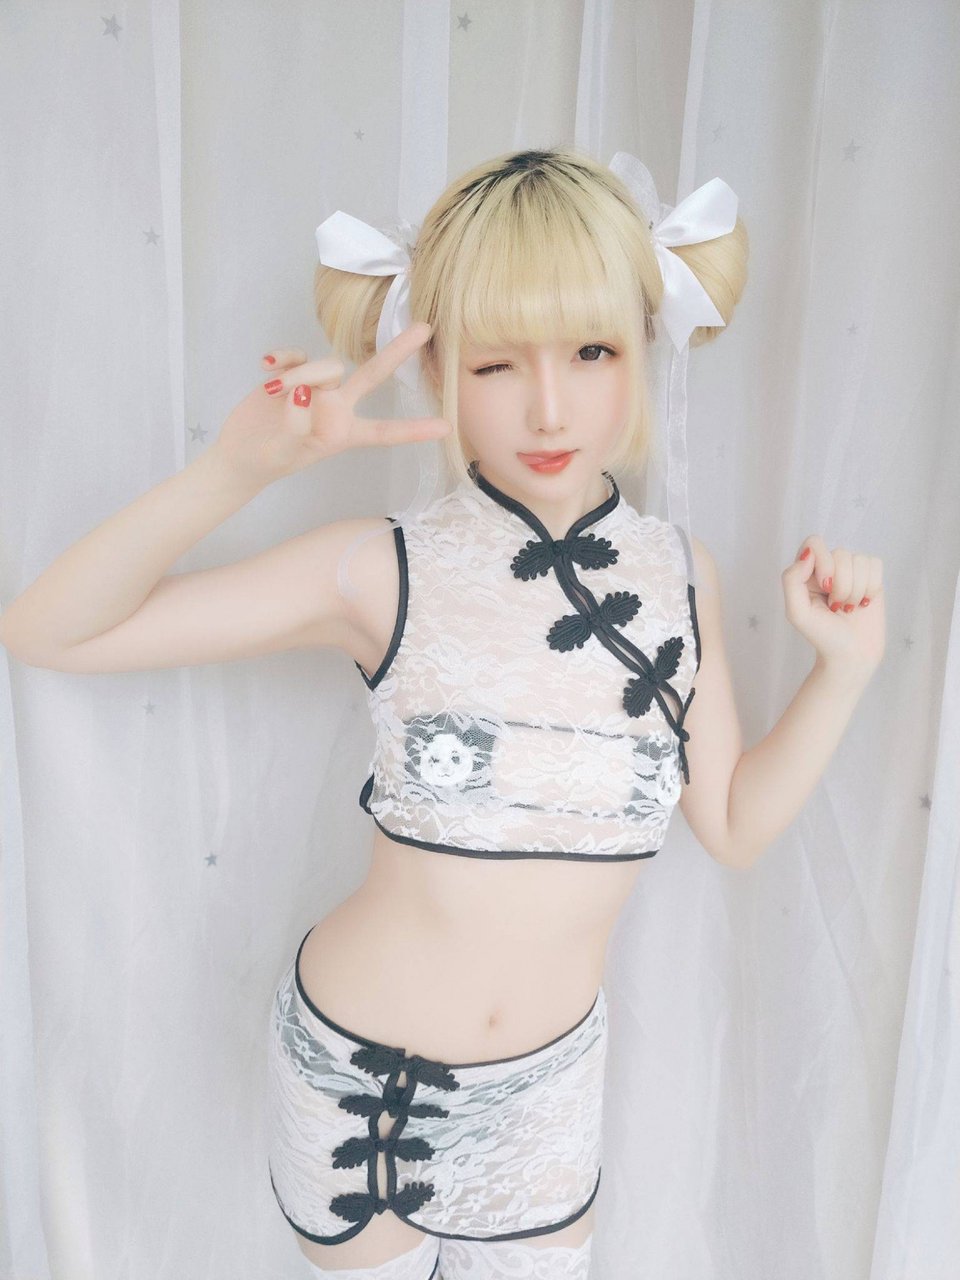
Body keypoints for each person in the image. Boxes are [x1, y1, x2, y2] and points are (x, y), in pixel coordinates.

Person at [0, 147, 885, 1280]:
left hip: (549, 1088)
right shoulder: (382, 568)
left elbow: (735, 823)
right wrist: (235, 469)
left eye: (592, 350)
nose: (549, 406)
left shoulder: (681, 573)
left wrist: (842, 670)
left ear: (645, 344)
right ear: (434, 370)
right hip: (352, 1076)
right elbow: (50, 630)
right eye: (496, 362)